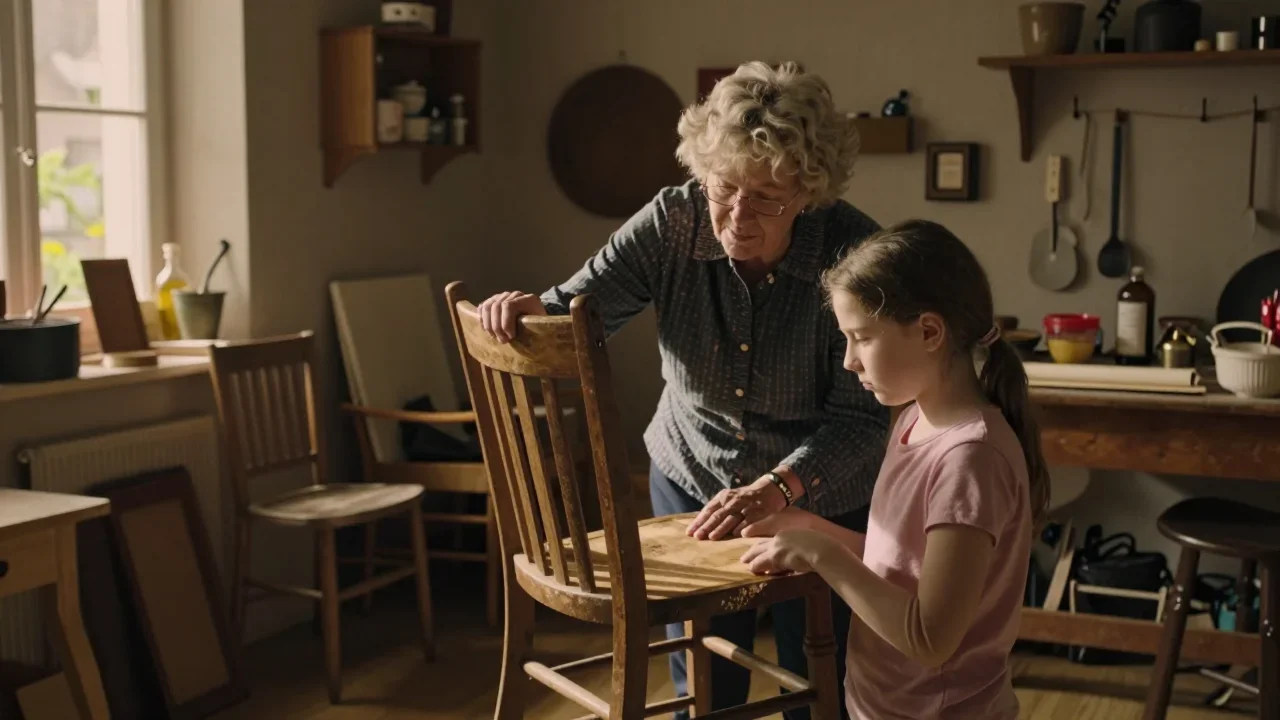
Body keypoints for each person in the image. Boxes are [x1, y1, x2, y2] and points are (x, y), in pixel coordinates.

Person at [475, 60, 888, 719]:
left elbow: (865, 422)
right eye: (724, 188)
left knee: (813, 680)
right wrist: (528, 310)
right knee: (701, 682)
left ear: (809, 193)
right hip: (691, 475)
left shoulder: (856, 253)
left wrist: (778, 487)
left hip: (818, 497)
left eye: (767, 197)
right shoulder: (674, 220)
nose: (737, 216)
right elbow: (578, 313)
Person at [740, 219, 1050, 719]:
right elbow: (904, 570)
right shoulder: (912, 422)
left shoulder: (970, 458)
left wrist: (825, 556)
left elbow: (930, 639)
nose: (849, 361)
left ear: (929, 331)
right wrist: (814, 531)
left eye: (861, 338)